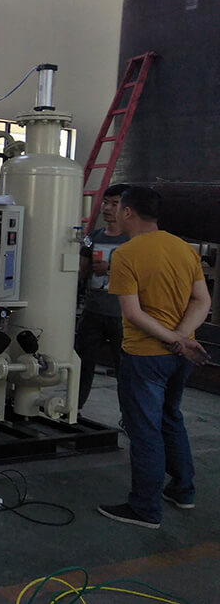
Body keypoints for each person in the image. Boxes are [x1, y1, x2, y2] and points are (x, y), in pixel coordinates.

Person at [97, 186, 212, 529]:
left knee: (145, 430)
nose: (112, 212)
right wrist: (182, 339)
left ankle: (145, 508)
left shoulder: (126, 254)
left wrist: (172, 339)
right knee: (170, 418)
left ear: (128, 212)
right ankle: (183, 490)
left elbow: (133, 314)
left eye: (117, 207)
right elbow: (202, 300)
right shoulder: (184, 249)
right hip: (182, 357)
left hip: (146, 355)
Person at [76, 183, 130, 409]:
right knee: (82, 363)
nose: (107, 208)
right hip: (93, 312)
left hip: (123, 316)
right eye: (106, 203)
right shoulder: (93, 237)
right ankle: (74, 408)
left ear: (127, 209)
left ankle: (130, 415)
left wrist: (109, 269)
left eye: (114, 204)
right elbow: (81, 272)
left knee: (126, 369)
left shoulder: (132, 240)